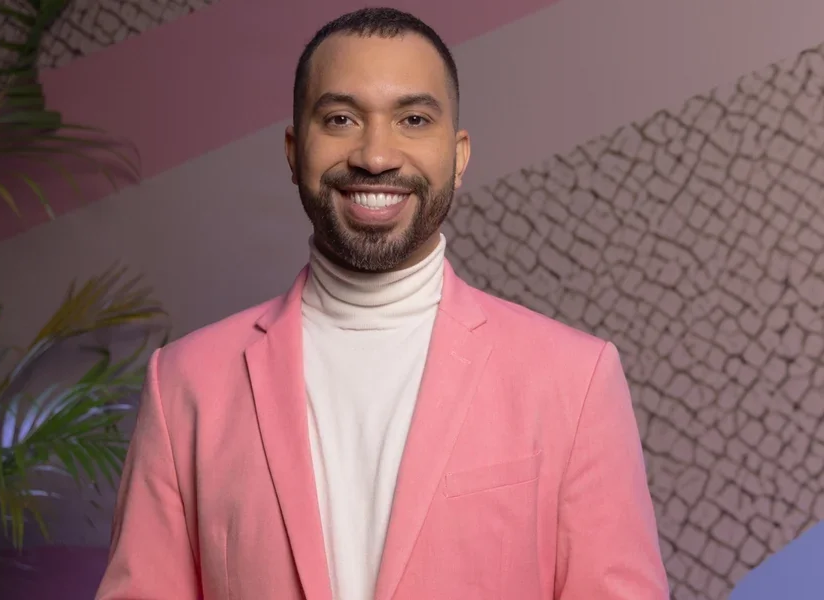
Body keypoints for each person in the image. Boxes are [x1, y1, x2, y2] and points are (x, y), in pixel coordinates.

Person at [95, 7, 669, 600]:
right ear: (294, 151)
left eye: (413, 119)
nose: (375, 156)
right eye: (340, 119)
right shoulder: (185, 384)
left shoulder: (575, 379)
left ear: (458, 156)